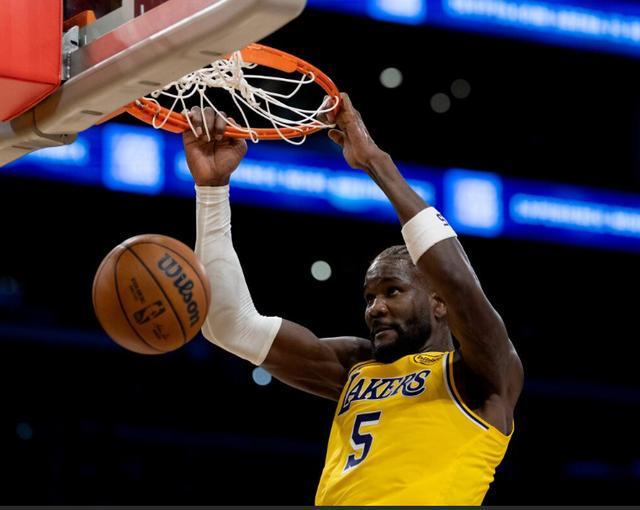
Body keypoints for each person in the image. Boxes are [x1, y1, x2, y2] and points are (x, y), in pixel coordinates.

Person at [184, 93, 524, 506]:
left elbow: (458, 282)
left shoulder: (483, 375)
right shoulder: (355, 367)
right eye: (369, 297)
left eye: (393, 291)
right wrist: (211, 189)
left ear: (439, 302)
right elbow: (229, 325)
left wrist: (374, 162)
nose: (375, 308)